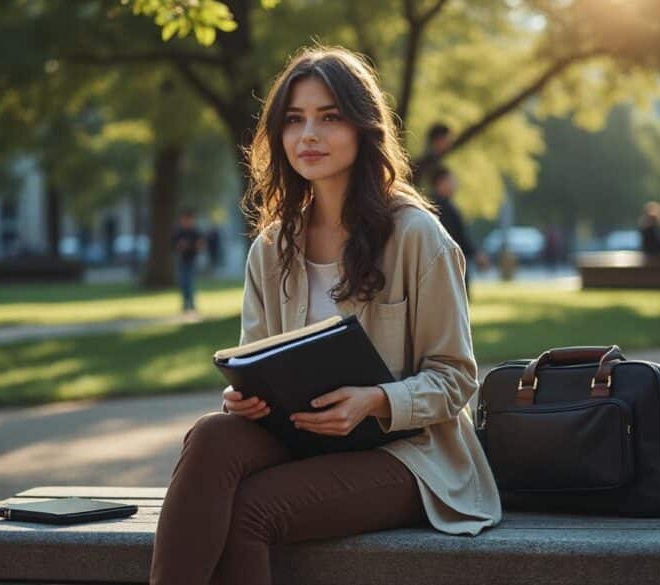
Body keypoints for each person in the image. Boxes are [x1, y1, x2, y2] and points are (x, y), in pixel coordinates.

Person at [149, 46, 501, 585]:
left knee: (251, 510)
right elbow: (258, 354)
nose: (307, 134)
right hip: (302, 438)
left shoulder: (417, 237)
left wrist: (376, 400)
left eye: (329, 116)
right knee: (212, 435)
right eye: (294, 120)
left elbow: (456, 378)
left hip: (410, 455)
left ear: (363, 128)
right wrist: (244, 396)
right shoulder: (272, 247)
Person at [429, 166, 488, 300]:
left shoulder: (441, 205)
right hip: (448, 268)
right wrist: (476, 253)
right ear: (441, 182)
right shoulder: (440, 207)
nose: (455, 184)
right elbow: (456, 237)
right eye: (451, 180)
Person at [172, 209, 205, 318]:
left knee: (190, 282)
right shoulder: (179, 231)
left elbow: (201, 245)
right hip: (182, 259)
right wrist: (180, 246)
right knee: (183, 282)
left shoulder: (195, 232)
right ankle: (185, 304)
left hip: (192, 260)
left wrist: (193, 246)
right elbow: (174, 245)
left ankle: (191, 305)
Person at [410, 122, 452, 190]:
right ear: (438, 140)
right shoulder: (426, 162)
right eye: (446, 139)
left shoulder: (434, 161)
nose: (449, 143)